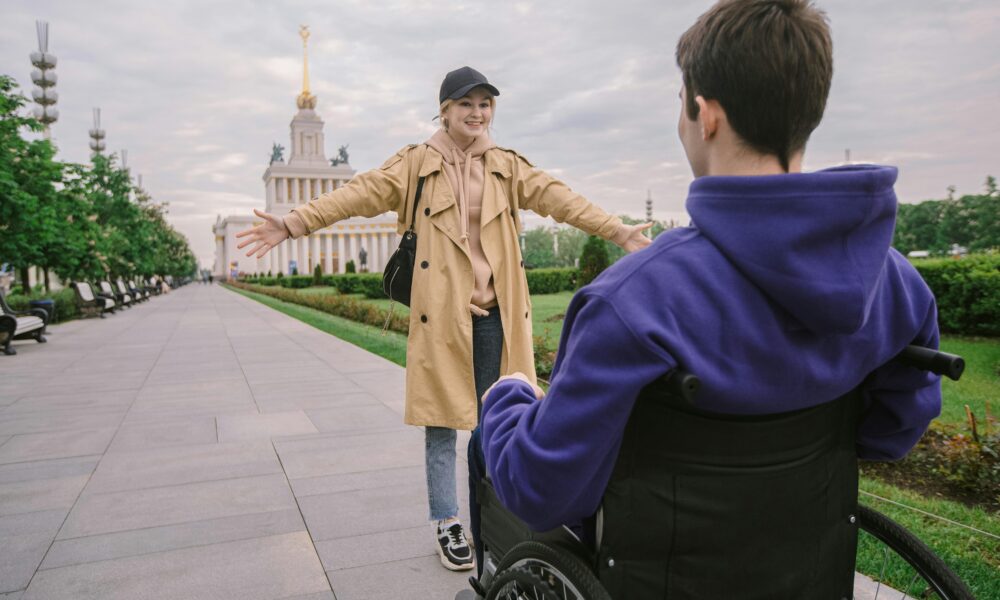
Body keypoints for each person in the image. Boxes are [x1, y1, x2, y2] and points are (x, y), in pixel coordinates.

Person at [479, 0, 942, 594]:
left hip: (655, 574)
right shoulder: (898, 284)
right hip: (806, 565)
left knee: (492, 449)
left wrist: (505, 398)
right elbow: (890, 433)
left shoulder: (633, 303)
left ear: (706, 114)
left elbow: (544, 492)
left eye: (680, 104)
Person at [235, 66, 651, 572]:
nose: (478, 114)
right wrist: (295, 221)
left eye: (485, 105)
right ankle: (447, 521)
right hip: (442, 315)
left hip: (496, 312)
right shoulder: (415, 164)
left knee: (498, 414)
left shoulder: (506, 165)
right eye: (466, 105)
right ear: (444, 110)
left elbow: (558, 198)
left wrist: (617, 230)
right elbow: (357, 193)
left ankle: (496, 512)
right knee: (439, 421)